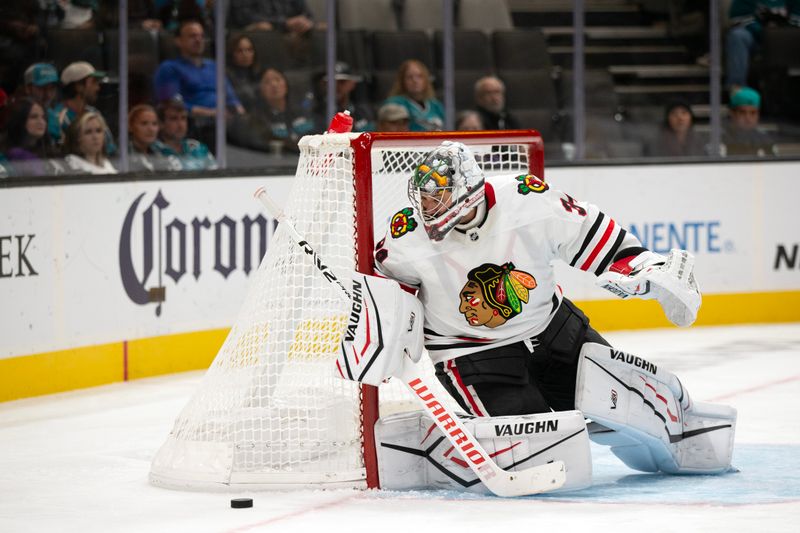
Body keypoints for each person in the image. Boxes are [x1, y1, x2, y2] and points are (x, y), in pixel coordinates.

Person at [368, 141, 735, 485]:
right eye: (426, 198)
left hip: (553, 328)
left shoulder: (525, 200)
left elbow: (590, 233)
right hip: (471, 354)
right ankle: (442, 449)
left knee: (631, 401)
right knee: (544, 450)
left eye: (439, 195)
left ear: (468, 188)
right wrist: (382, 330)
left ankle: (683, 431)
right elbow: (388, 290)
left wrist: (644, 268)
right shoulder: (406, 237)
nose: (429, 207)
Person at [154, 20, 245, 146]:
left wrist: (239, 113)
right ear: (178, 41)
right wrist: (211, 113)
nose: (198, 40)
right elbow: (170, 104)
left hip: (226, 121)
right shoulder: (169, 68)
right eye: (192, 36)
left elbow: (232, 99)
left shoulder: (214, 66)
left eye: (201, 36)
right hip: (198, 124)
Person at [230, 67, 314, 154]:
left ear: (286, 83)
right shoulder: (256, 120)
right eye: (267, 82)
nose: (274, 84)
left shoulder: (304, 112)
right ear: (260, 89)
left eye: (277, 79)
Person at [725, 0, 800, 91]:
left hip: (788, 41)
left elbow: (797, 21)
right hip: (756, 40)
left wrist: (779, 35)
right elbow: (738, 18)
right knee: (737, 35)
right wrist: (766, 33)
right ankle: (737, 89)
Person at [53, 61, 117, 155]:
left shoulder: (94, 113)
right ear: (79, 86)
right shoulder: (59, 117)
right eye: (93, 82)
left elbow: (110, 148)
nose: (98, 87)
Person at [153, 97, 218, 170]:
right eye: (174, 119)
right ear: (161, 123)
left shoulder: (197, 147)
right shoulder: (153, 150)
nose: (180, 125)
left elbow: (215, 175)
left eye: (183, 118)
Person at [2, 97, 61, 177]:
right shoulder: (16, 154)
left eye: (43, 117)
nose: (41, 122)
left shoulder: (49, 150)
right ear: (20, 120)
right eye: (34, 117)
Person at [384, 60, 444, 132]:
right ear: (402, 81)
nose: (415, 80)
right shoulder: (394, 104)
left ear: (426, 79)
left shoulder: (436, 105)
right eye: (409, 77)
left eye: (419, 76)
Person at [312, 62, 373, 132]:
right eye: (332, 82)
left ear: (352, 84)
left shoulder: (362, 112)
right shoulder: (317, 112)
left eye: (342, 82)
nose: (336, 86)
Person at [723, 86, 776, 156]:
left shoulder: (766, 140)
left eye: (753, 113)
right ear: (732, 114)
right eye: (742, 112)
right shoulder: (720, 139)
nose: (748, 118)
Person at [128, 104, 176, 172]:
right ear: (131, 126)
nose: (151, 129)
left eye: (154, 124)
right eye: (144, 123)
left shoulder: (164, 151)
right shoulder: (121, 153)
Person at [228, 0, 314, 35]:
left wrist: (305, 22)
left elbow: (306, 13)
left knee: (321, 28)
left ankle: (319, 71)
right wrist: (285, 23)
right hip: (258, 30)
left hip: (291, 30)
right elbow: (244, 17)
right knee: (264, 28)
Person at [226, 33, 262, 112]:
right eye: (239, 51)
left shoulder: (259, 74)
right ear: (231, 53)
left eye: (249, 50)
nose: (245, 54)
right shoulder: (226, 76)